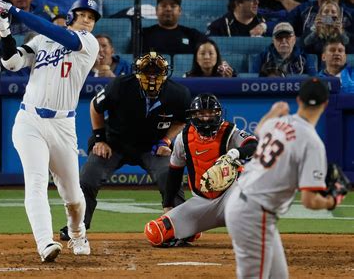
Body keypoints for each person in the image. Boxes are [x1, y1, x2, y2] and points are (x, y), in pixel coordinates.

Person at [0, 0, 102, 261]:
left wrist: (14, 10)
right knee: (36, 183)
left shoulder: (87, 43)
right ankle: (44, 243)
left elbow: (63, 36)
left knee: (73, 196)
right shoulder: (41, 41)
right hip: (30, 121)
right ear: (71, 16)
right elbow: (11, 62)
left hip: (62, 125)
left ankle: (77, 233)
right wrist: (4, 31)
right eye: (83, 15)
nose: (88, 21)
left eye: (92, 18)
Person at [59, 51, 191, 241]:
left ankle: (179, 227)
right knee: (88, 177)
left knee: (170, 177)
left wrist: (166, 140)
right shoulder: (120, 85)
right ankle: (77, 227)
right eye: (147, 72)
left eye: (156, 72)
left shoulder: (178, 93)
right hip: (115, 143)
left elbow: (182, 121)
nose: (152, 77)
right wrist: (99, 139)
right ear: (137, 72)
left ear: (165, 73)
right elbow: (95, 107)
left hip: (152, 146)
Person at [225, 77, 344, 279]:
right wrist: (332, 201)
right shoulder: (313, 143)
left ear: (298, 100)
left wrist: (274, 111)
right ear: (325, 104)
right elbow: (309, 200)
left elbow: (259, 129)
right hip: (254, 214)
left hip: (243, 203)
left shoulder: (276, 122)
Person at [144, 93, 258, 247]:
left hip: (231, 197)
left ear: (218, 114)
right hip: (202, 202)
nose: (207, 118)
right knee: (155, 233)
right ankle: (191, 230)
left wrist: (235, 153)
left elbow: (254, 145)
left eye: (211, 113)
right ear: (193, 115)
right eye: (202, 114)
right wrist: (168, 205)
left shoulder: (229, 131)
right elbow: (175, 173)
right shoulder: (183, 138)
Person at [142, 0, 207, 55]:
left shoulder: (192, 35)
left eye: (173, 6)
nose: (168, 9)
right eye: (163, 6)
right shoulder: (144, 34)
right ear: (156, 10)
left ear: (180, 11)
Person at [250, 22, 317, 76]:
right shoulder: (261, 57)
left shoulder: (306, 58)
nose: (283, 41)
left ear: (294, 40)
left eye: (287, 37)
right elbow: (252, 81)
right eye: (279, 37)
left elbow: (314, 81)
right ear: (273, 41)